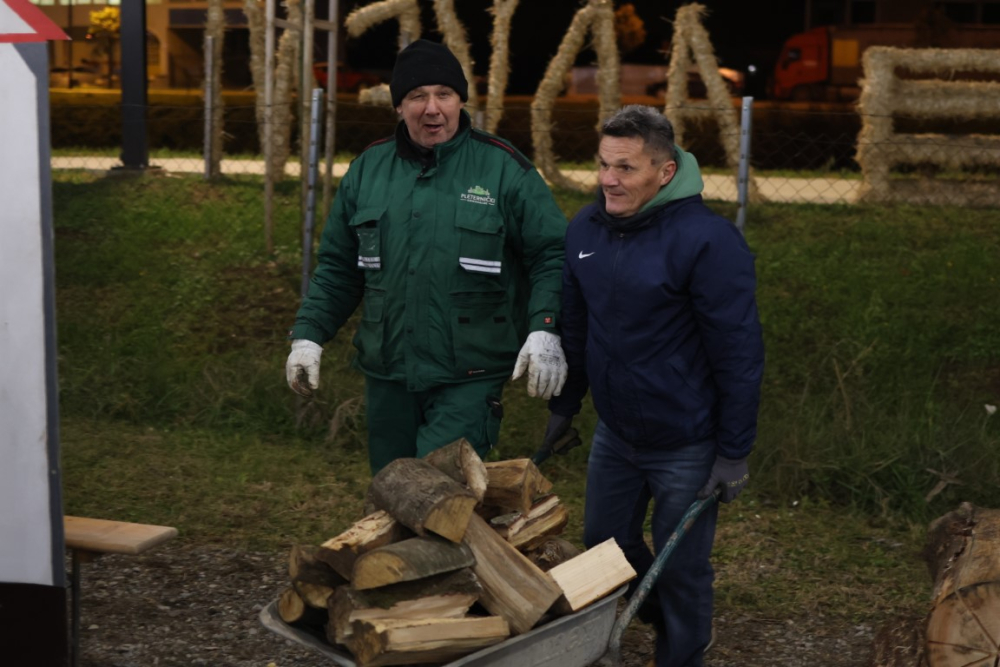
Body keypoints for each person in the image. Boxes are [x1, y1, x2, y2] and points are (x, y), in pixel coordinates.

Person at [544, 105, 764, 667]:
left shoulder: (707, 241)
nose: (609, 180)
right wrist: (566, 406)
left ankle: (683, 651)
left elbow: (738, 352)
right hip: (617, 434)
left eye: (625, 168)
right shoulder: (586, 229)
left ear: (664, 172)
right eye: (602, 166)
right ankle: (669, 617)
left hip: (687, 440)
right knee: (606, 544)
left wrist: (733, 451)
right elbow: (577, 325)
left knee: (682, 560)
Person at [285, 39, 568, 474]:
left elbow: (551, 253)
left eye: (444, 94)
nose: (432, 108)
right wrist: (308, 335)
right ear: (399, 106)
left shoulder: (504, 169)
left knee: (436, 490)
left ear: (460, 101)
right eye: (418, 96)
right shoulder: (368, 170)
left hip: (470, 374)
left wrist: (544, 329)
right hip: (388, 373)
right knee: (391, 493)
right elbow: (340, 267)